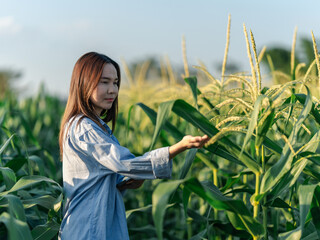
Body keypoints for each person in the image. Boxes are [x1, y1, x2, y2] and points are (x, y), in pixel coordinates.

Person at [58, 52, 209, 239]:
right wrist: (178, 147)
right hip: (89, 229)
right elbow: (123, 164)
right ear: (83, 83)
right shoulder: (84, 127)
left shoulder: (94, 126)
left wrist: (126, 181)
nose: (112, 90)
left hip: (96, 226)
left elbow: (98, 177)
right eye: (104, 82)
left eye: (115, 82)